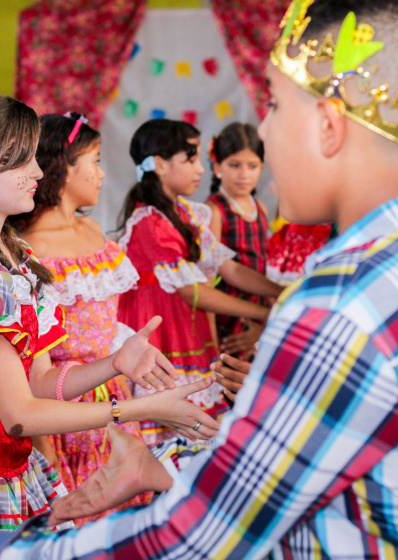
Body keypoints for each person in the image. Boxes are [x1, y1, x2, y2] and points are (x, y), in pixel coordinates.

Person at [0, 1, 398, 557]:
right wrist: (158, 469)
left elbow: (199, 533)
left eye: (275, 105)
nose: (266, 131)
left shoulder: (345, 307)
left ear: (330, 126)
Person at [0, 94, 220, 559]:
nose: (37, 171)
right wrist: (135, 410)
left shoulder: (7, 255)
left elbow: (41, 380)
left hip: (7, 469)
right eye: (22, 161)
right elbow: (20, 415)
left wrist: (115, 363)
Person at [8, 113, 152, 524]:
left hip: (112, 398)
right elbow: (28, 369)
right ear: (63, 168)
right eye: (95, 161)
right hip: (63, 410)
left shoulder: (93, 233)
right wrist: (45, 451)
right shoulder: (31, 248)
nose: (103, 174)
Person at [116, 118, 283, 445]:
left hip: (187, 333)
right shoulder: (150, 220)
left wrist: (284, 292)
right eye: (190, 159)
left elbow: (229, 268)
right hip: (162, 340)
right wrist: (263, 313)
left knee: (197, 427)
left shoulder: (186, 214)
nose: (200, 169)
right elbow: (193, 292)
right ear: (161, 165)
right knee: (169, 433)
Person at [205, 122, 270, 358]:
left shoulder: (260, 208)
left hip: (260, 318)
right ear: (217, 166)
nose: (244, 174)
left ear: (261, 168)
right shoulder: (214, 210)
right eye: (234, 165)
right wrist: (210, 344)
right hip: (229, 322)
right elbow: (207, 283)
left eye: (252, 166)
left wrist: (265, 322)